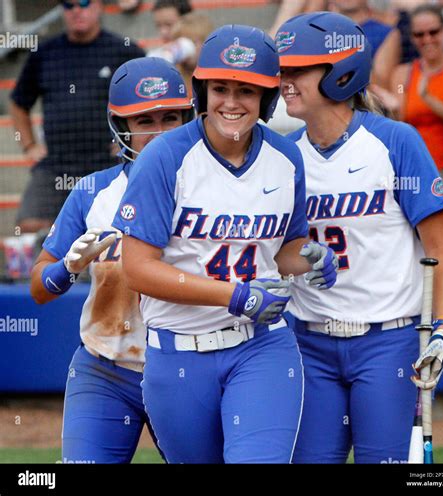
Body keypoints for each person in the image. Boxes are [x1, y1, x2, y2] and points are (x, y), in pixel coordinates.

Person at [112, 24, 338, 464]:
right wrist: (233, 295)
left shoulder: (286, 156)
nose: (232, 103)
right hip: (179, 352)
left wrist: (312, 256)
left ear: (267, 98)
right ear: (202, 92)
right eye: (220, 88)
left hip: (262, 345)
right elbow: (137, 269)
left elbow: (285, 250)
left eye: (247, 91)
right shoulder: (165, 157)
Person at [276, 11, 443, 463]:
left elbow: (439, 250)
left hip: (387, 343)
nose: (285, 80)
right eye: (283, 70)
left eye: (299, 69)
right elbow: (276, 255)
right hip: (310, 342)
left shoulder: (396, 142)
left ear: (341, 72)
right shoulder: (282, 155)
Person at [30, 57, 194, 463]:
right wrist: (66, 269)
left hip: (185, 366)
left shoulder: (213, 189)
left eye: (170, 117)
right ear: (121, 126)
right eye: (143, 121)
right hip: (105, 367)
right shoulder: (92, 192)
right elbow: (38, 287)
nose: (158, 132)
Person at [9, 0, 145, 233]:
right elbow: (19, 102)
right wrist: (29, 145)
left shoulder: (124, 51)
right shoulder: (44, 53)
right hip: (56, 164)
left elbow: (147, 101)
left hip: (109, 161)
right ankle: (61, 250)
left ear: (99, 6)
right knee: (28, 224)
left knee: (120, 225)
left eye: (84, 3)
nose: (77, 10)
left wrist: (132, 143)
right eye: (69, 5)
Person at [390, 5, 443, 214]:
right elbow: (400, 125)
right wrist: (390, 108)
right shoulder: (402, 73)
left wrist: (427, 98)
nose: (427, 39)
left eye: (433, 32)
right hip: (415, 172)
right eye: (419, 34)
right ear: (412, 37)